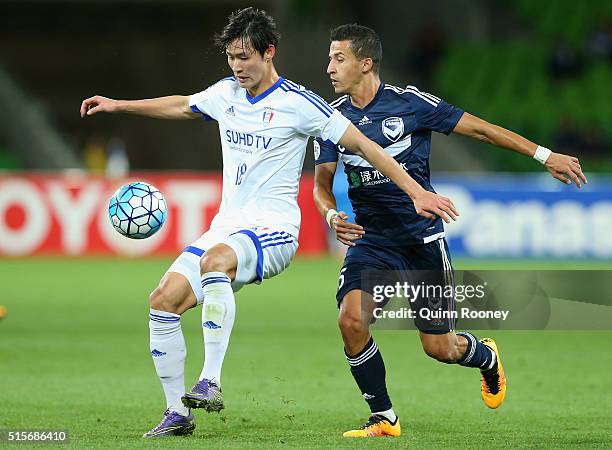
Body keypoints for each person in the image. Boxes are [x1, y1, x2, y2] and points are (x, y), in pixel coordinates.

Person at [80, 9, 459, 438]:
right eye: (231, 57)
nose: (237, 66)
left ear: (269, 51)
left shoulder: (300, 104)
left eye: (245, 56)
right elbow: (183, 105)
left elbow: (366, 146)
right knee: (162, 300)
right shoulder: (226, 93)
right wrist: (118, 105)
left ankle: (211, 380)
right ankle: (176, 414)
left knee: (215, 263)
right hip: (228, 225)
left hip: (275, 230)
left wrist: (416, 191)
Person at [313, 24, 587, 438]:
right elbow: (320, 185)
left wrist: (543, 154)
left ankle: (486, 358)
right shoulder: (331, 120)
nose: (329, 67)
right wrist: (333, 216)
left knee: (439, 348)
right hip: (373, 241)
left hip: (421, 240)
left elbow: (478, 128)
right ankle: (384, 418)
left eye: (339, 58)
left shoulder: (410, 104)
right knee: (352, 320)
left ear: (365, 63)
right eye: (330, 58)